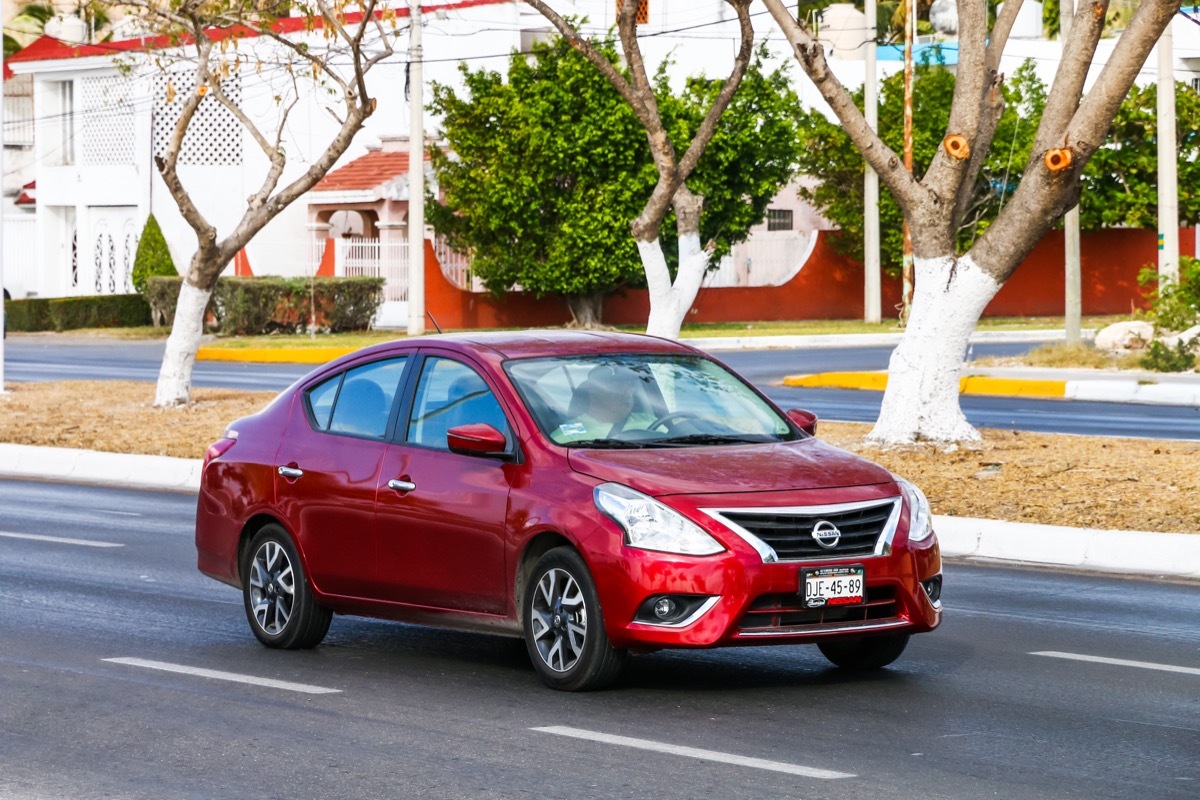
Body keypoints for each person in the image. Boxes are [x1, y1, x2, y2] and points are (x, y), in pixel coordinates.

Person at [556, 364, 654, 442]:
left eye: (630, 385)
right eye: (618, 386)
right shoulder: (568, 435)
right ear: (594, 392)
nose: (628, 392)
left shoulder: (650, 420)